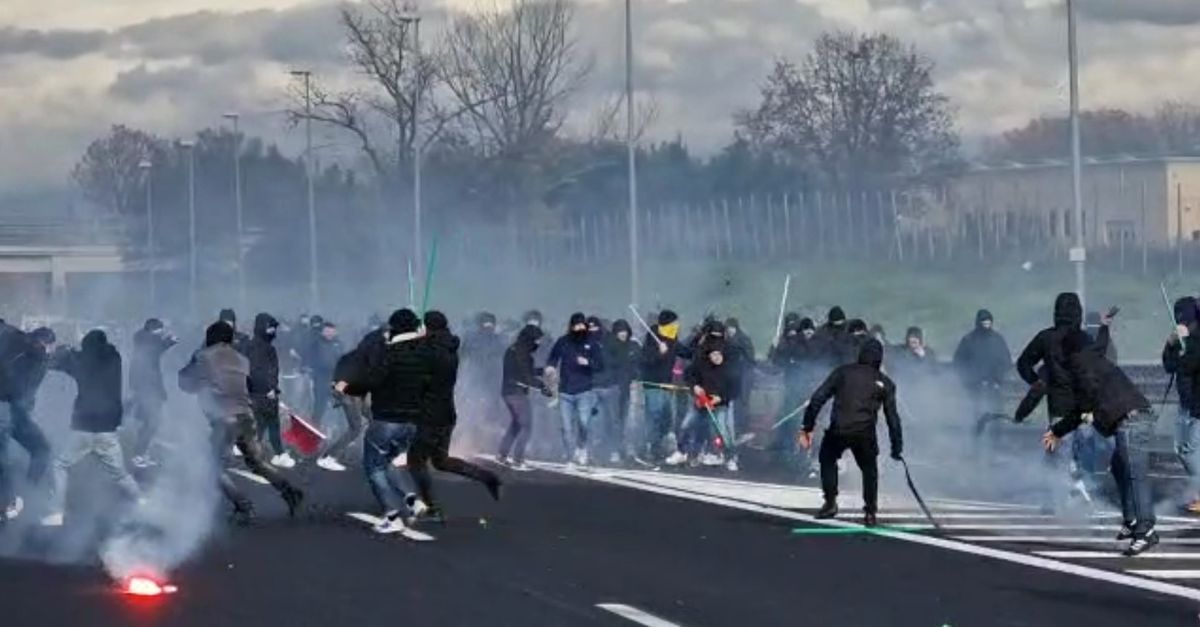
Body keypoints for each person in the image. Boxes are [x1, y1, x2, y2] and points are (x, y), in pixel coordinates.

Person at [1046, 329, 1158, 556]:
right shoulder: (1092, 356)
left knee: (1135, 475)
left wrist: (1058, 430)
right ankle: (1132, 520)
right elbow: (1100, 345)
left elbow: (1083, 405)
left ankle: (1146, 529)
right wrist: (1105, 326)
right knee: (1119, 466)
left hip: (1131, 420)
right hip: (1132, 417)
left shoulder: (1080, 365)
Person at [179, 322, 303, 525]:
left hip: (223, 418)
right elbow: (252, 385)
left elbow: (184, 382)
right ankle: (289, 491)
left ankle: (243, 506)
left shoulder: (202, 356)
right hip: (246, 415)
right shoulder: (241, 359)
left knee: (212, 469)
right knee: (257, 462)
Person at [337, 309, 427, 534]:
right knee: (389, 462)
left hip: (387, 419)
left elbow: (369, 381)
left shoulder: (390, 354)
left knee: (374, 467)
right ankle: (413, 500)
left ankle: (392, 515)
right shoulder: (424, 353)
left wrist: (345, 386)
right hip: (412, 422)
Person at [406, 311, 502, 520]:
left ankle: (432, 507)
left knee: (416, 461)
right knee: (441, 461)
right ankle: (488, 477)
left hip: (428, 415)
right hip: (446, 413)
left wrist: (415, 342)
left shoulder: (429, 351)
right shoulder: (450, 349)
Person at [41, 330, 141, 526]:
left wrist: (66, 351)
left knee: (60, 465)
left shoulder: (81, 360)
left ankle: (56, 513)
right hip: (108, 428)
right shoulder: (114, 358)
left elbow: (61, 364)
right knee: (119, 474)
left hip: (84, 426)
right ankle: (142, 502)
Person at [799, 339, 903, 527]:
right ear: (880, 359)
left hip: (839, 428)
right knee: (869, 470)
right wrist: (897, 447)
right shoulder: (886, 383)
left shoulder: (843, 372)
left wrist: (808, 425)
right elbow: (892, 419)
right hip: (864, 432)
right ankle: (870, 512)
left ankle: (830, 502)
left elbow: (818, 398)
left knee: (827, 458)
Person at [0, 326, 56, 521]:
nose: (46, 350)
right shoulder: (16, 345)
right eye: (42, 346)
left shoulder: (44, 358)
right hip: (3, 406)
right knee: (2, 458)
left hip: (18, 411)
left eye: (49, 347)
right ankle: (5, 505)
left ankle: (27, 497)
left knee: (43, 450)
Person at [546, 313, 605, 467]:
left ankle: (582, 448)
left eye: (582, 325)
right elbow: (553, 357)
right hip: (565, 391)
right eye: (576, 325)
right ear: (571, 326)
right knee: (566, 427)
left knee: (583, 422)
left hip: (584, 390)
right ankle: (569, 456)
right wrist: (551, 367)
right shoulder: (563, 341)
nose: (580, 328)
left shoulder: (591, 343)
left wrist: (588, 362)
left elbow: (600, 365)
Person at [669, 341, 738, 470]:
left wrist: (720, 398)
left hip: (719, 405)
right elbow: (689, 375)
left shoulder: (729, 369)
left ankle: (729, 457)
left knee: (721, 430)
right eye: (713, 355)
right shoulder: (701, 365)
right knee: (686, 425)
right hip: (701, 403)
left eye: (719, 354)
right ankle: (682, 452)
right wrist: (695, 386)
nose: (716, 357)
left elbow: (734, 390)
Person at [638, 310, 690, 464]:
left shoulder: (673, 340)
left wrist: (700, 340)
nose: (677, 326)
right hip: (653, 385)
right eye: (674, 323)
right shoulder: (651, 339)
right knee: (654, 417)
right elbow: (645, 361)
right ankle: (650, 448)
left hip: (667, 385)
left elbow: (686, 353)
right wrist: (659, 353)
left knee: (666, 419)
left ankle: (658, 446)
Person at [769, 316, 821, 470]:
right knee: (795, 421)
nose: (808, 333)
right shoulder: (793, 344)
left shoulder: (818, 345)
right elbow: (779, 360)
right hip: (794, 389)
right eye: (806, 331)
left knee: (811, 423)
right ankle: (793, 450)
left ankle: (807, 452)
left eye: (811, 330)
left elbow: (819, 367)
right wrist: (775, 349)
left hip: (811, 390)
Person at [1164, 297, 1200, 512]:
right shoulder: (1181, 337)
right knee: (1180, 449)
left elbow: (1189, 364)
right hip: (1185, 402)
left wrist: (1189, 343)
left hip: (1198, 404)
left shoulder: (1196, 339)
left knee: (1192, 450)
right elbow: (1170, 366)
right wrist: (1171, 345)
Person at [245, 314, 294, 469]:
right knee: (266, 424)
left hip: (258, 393)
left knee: (265, 424)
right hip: (264, 394)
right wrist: (270, 389)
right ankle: (274, 455)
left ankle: (277, 454)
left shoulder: (253, 346)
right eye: (271, 328)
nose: (273, 331)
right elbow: (260, 371)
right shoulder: (263, 348)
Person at [953, 309, 1013, 435]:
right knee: (977, 416)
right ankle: (976, 444)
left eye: (988, 322)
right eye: (983, 322)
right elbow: (959, 362)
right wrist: (970, 380)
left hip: (995, 385)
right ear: (977, 323)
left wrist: (998, 379)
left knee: (996, 416)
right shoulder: (968, 340)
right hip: (976, 386)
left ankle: (996, 442)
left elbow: (1006, 361)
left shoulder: (998, 339)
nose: (986, 325)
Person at [128, 319, 177, 467]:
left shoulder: (142, 339)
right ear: (154, 330)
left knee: (148, 421)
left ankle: (141, 453)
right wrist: (169, 342)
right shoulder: (149, 341)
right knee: (153, 422)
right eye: (160, 330)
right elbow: (155, 349)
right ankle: (138, 454)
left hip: (145, 387)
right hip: (149, 388)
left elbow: (155, 350)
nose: (162, 333)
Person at [498, 325, 548, 470]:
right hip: (516, 393)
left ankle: (502, 454)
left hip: (507, 391)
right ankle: (518, 460)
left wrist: (542, 371)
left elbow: (526, 371)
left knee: (516, 424)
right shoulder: (522, 353)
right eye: (537, 340)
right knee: (526, 425)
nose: (538, 343)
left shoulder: (513, 350)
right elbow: (526, 376)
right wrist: (543, 387)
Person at [309, 322, 343, 431]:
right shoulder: (316, 344)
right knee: (319, 406)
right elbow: (311, 360)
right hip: (321, 379)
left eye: (331, 331)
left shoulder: (338, 344)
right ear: (323, 332)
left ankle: (338, 430)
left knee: (340, 407)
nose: (329, 333)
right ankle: (314, 428)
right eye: (327, 331)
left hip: (336, 379)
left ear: (335, 332)